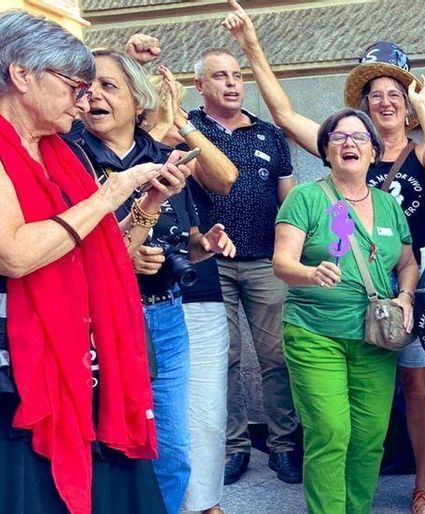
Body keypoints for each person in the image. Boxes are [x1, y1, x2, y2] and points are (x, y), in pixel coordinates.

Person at [221, 3, 425, 508]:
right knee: (333, 431)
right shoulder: (331, 165)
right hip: (325, 321)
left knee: (402, 403)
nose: (386, 103)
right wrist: (254, 49)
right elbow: (284, 114)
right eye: (376, 96)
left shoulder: (414, 156)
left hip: (394, 307)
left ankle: (421, 485)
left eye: (397, 94)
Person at [0, 10, 175, 513]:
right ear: (20, 75)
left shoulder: (63, 154)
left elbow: (104, 259)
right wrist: (107, 195)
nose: (83, 100)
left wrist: (147, 204)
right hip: (23, 379)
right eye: (73, 86)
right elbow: (14, 255)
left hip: (89, 366)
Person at [66, 47, 237, 514]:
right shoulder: (70, 157)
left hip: (165, 315)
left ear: (138, 101)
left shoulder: (167, 157)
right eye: (86, 86)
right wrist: (124, 255)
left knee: (172, 447)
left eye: (107, 85)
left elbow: (188, 237)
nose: (92, 95)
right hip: (97, 321)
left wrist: (205, 246)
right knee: (106, 444)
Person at [273, 108, 420, 514]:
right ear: (326, 150)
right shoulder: (307, 197)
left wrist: (406, 296)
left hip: (375, 337)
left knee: (370, 437)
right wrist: (309, 271)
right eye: (338, 137)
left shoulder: (389, 205)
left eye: (359, 138)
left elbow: (407, 263)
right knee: (330, 431)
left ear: (374, 151)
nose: (349, 143)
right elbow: (282, 263)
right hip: (314, 333)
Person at [122, 34, 243, 514]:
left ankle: (204, 502)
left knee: (200, 411)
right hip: (135, 302)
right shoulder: (125, 161)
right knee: (154, 418)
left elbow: (223, 179)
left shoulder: (182, 156)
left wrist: (183, 121)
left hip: (192, 290)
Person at [183, 41, 302, 484]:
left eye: (237, 75)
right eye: (220, 76)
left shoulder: (269, 134)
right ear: (199, 85)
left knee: (277, 356)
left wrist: (294, 250)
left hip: (266, 262)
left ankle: (284, 446)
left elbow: (288, 199)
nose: (233, 83)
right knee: (224, 358)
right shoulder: (187, 129)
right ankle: (234, 447)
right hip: (209, 261)